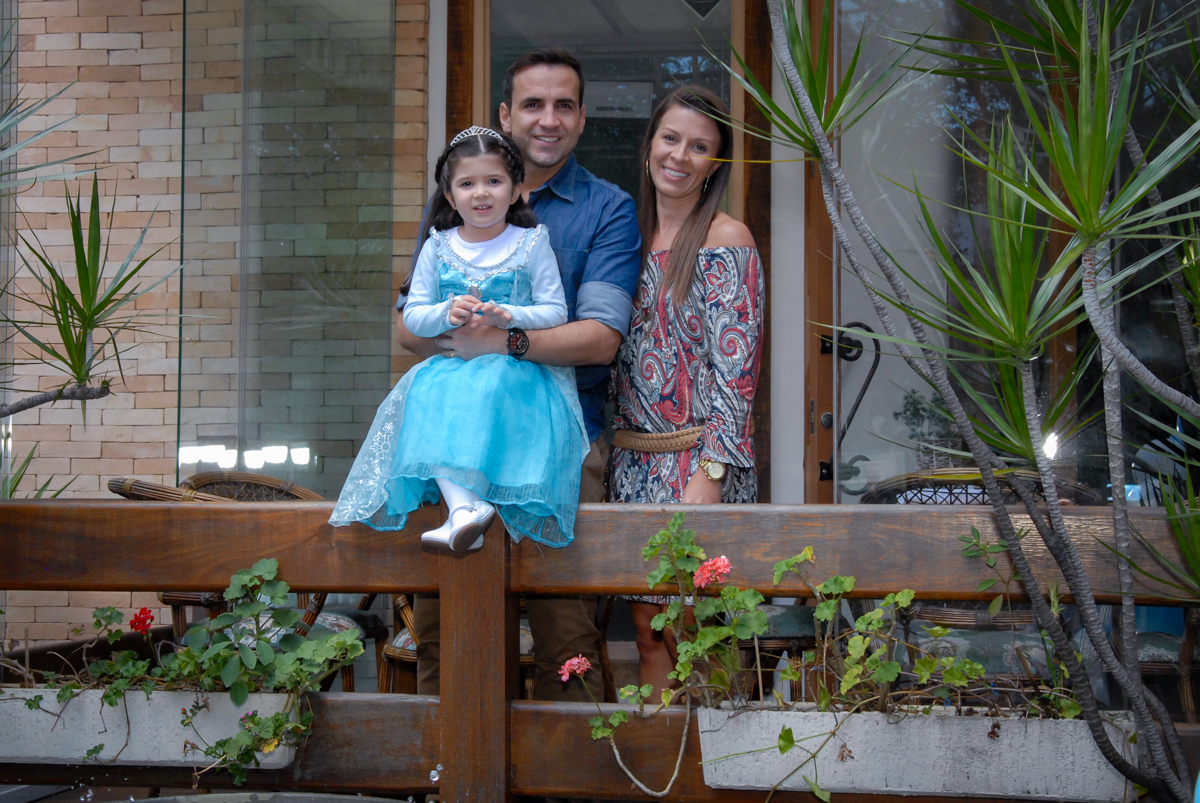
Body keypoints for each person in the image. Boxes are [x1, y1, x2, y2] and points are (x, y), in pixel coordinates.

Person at [397, 48, 642, 701]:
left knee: (568, 638)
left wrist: (499, 340)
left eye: (564, 105)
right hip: (454, 441)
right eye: (533, 104)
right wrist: (468, 335)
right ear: (506, 115)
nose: (548, 119)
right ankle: (449, 779)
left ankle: (570, 785)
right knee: (450, 632)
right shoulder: (452, 205)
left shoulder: (608, 209)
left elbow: (597, 338)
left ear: (583, 118)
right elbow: (404, 326)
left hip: (560, 441)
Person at [329, 127, 589, 555]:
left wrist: (510, 316)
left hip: (516, 369)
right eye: (467, 184)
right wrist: (443, 314)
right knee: (431, 395)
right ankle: (463, 510)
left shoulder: (530, 242)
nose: (481, 193)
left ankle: (467, 512)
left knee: (484, 391)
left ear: (516, 190)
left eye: (494, 181)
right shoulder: (438, 246)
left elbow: (555, 310)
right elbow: (414, 314)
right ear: (450, 197)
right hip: (453, 366)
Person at [609, 85, 764, 696]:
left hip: (700, 462)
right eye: (670, 138)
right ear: (650, 143)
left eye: (700, 147)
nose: (680, 155)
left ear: (716, 163)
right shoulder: (624, 233)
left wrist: (713, 474)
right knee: (648, 633)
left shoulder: (727, 239)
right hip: (630, 464)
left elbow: (736, 370)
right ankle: (665, 780)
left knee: (698, 634)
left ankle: (719, 777)